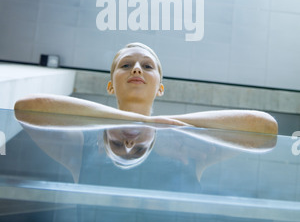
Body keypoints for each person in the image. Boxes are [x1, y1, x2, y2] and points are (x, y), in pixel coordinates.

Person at [14, 42, 278, 135]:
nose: (137, 69)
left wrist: (159, 124)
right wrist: (144, 121)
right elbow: (28, 106)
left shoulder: (184, 149)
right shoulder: (85, 139)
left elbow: (265, 125)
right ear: (110, 86)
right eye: (127, 65)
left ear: (160, 89)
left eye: (147, 66)